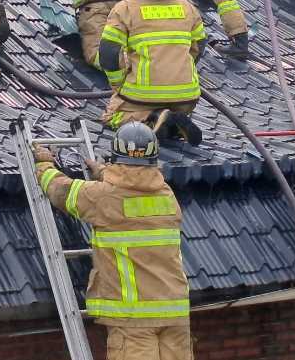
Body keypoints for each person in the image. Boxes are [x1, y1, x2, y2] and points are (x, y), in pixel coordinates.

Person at [33, 122, 193, 360]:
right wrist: (103, 172)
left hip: (133, 320)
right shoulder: (167, 196)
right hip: (176, 313)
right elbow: (134, 184)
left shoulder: (103, 197)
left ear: (117, 154)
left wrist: (44, 164)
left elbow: (61, 191)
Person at [97, 0, 205, 145]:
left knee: (113, 119)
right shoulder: (186, 6)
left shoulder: (125, 9)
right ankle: (171, 122)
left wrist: (118, 84)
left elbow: (108, 53)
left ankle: (154, 119)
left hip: (142, 94)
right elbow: (199, 45)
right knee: (172, 117)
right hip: (186, 95)